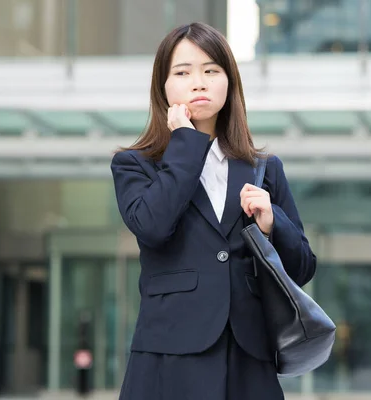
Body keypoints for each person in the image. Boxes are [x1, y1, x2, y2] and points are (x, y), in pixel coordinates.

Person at [110, 22, 317, 399]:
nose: (199, 82)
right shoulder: (135, 165)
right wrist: (186, 143)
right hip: (169, 355)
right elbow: (153, 227)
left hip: (248, 356)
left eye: (211, 71)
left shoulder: (264, 169)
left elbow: (302, 269)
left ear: (229, 83)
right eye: (183, 72)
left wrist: (273, 225)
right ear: (163, 86)